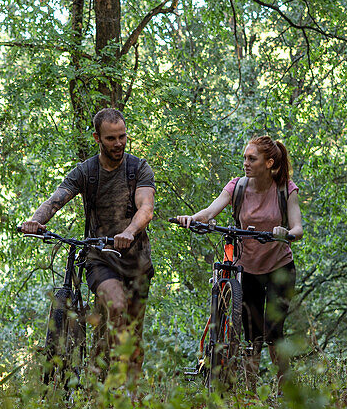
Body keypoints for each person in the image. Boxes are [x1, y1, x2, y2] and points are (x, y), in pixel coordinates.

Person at [20, 108, 156, 383]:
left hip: (137, 261)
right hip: (100, 258)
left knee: (133, 331)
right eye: (111, 138)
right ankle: (101, 386)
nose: (118, 143)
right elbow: (56, 199)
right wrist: (35, 221)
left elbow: (146, 208)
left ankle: (128, 393)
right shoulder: (87, 171)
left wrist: (129, 231)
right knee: (116, 305)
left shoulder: (138, 168)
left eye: (122, 137)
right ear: (97, 138)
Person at [175, 135, 303, 388]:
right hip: (249, 269)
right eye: (245, 157)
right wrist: (192, 218)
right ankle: (250, 392)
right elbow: (211, 212)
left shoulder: (285, 189)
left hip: (280, 268)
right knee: (252, 335)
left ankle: (284, 392)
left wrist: (285, 233)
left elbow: (298, 228)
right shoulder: (237, 187)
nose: (245, 163)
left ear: (269, 163)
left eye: (252, 159)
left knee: (274, 333)